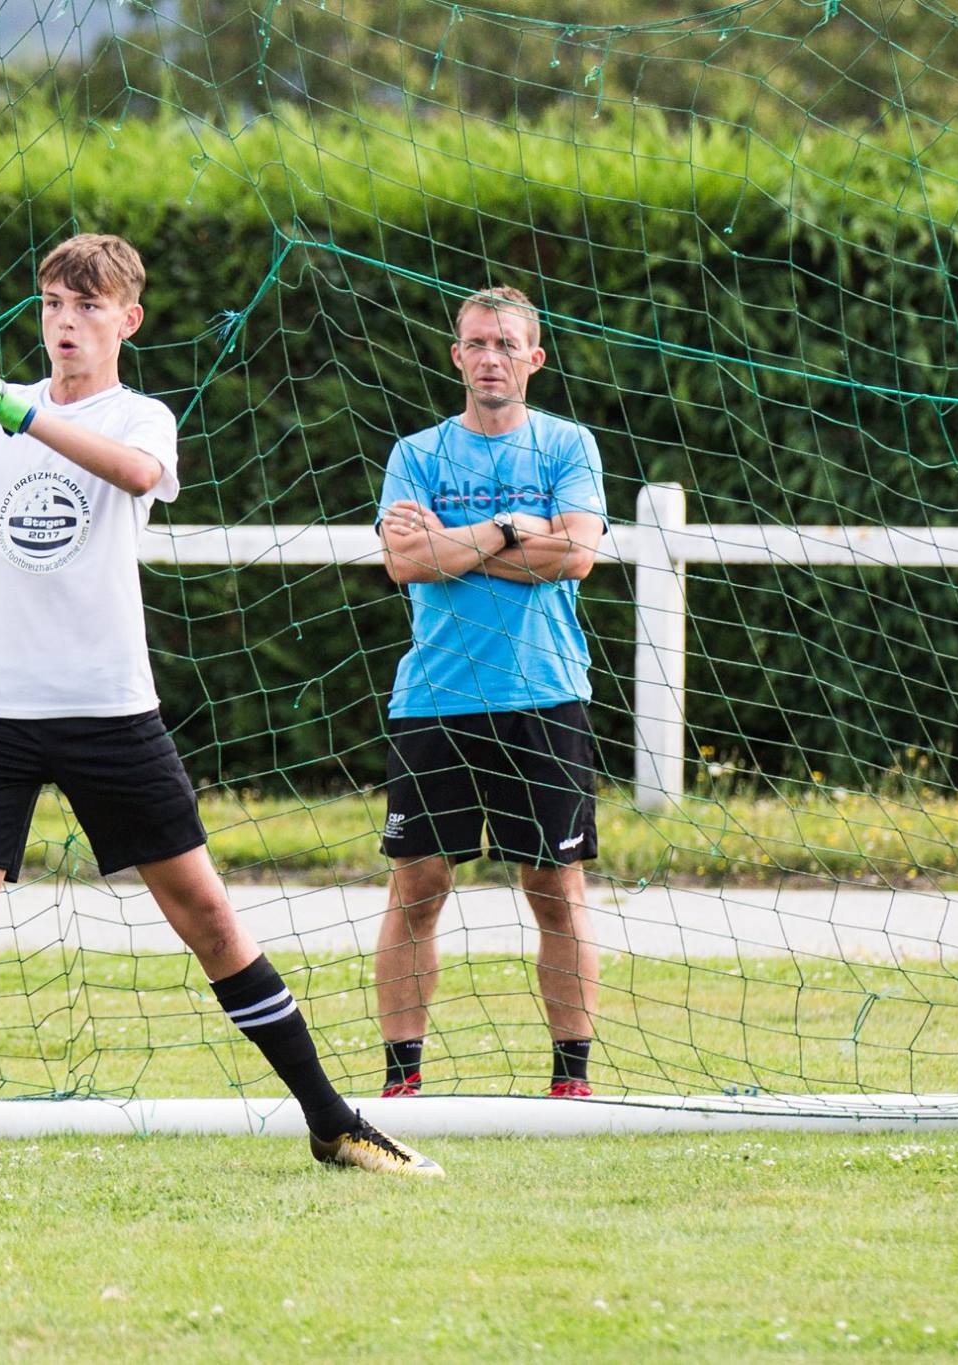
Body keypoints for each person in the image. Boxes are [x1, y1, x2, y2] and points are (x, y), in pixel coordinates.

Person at [0, 234, 439, 1179]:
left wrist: (8, 411)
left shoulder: (139, 416)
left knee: (209, 917)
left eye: (86, 305)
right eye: (52, 304)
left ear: (127, 319)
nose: (65, 321)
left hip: (110, 711)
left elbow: (138, 475)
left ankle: (333, 1120)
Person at [372, 285, 606, 1099]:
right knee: (418, 886)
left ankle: (570, 1079)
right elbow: (406, 563)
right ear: (457, 356)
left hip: (543, 694)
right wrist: (512, 529)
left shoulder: (568, 446)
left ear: (534, 358)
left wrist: (455, 546)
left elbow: (575, 554)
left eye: (506, 344)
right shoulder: (418, 453)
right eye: (477, 344)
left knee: (555, 885)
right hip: (434, 699)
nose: (490, 358)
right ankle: (402, 1081)